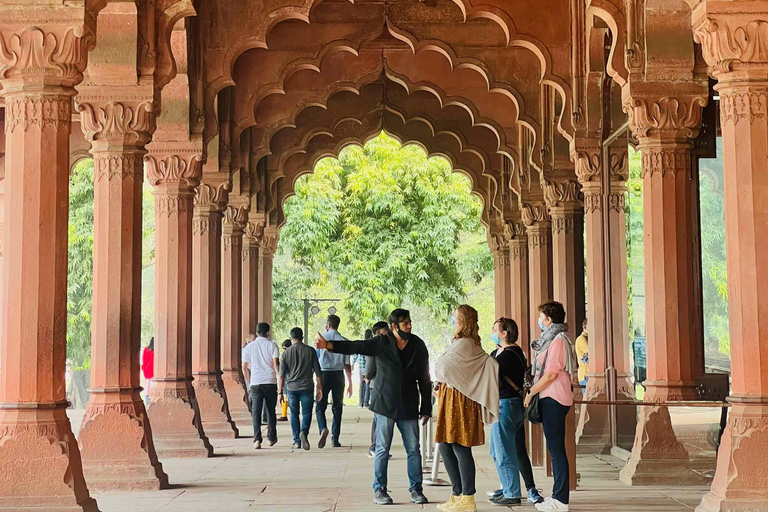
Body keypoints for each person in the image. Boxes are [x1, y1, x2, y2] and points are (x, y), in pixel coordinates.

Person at [316, 309, 431, 506]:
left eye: (410, 322)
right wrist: (329, 345)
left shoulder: (418, 345)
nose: (410, 326)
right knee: (382, 449)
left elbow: (424, 377)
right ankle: (380, 489)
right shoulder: (381, 343)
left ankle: (416, 489)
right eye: (405, 324)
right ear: (394, 327)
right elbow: (356, 346)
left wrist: (426, 407)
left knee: (413, 449)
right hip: (385, 404)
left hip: (409, 404)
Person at [434, 305, 499, 512]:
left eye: (455, 318)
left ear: (464, 322)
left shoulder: (465, 343)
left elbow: (443, 367)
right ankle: (457, 493)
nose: (453, 322)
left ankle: (468, 497)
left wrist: (441, 367)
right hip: (452, 399)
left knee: (460, 446)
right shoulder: (463, 342)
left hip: (460, 401)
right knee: (446, 445)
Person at [524, 301, 576, 512]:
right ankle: (556, 495)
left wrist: (531, 392)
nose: (540, 321)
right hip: (550, 397)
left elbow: (552, 374)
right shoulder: (551, 340)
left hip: (554, 397)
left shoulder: (558, 341)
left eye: (542, 317)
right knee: (554, 449)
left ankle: (561, 500)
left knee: (557, 450)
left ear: (549, 319)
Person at [487, 317, 544, 506]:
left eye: (495, 330)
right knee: (506, 449)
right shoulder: (505, 353)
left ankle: (511, 492)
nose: (493, 332)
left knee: (504, 450)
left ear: (504, 333)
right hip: (511, 405)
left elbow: (489, 374)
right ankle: (508, 486)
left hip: (505, 404)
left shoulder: (508, 355)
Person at [279, 327, 323, 450]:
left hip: (292, 387)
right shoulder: (310, 351)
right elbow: (318, 371)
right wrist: (320, 387)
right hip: (307, 386)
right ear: (302, 337)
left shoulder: (286, 353)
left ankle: (297, 440)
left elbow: (281, 375)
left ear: (291, 338)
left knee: (294, 413)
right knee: (307, 412)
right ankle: (304, 431)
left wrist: (280, 392)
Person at [315, 314, 353, 448]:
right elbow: (347, 365)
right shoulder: (344, 341)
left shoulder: (321, 339)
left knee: (320, 405)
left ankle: (322, 428)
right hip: (338, 375)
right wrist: (350, 383)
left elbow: (316, 360)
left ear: (328, 325)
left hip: (324, 374)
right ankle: (335, 438)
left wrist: (317, 379)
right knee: (337, 407)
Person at [242, 322, 280, 449]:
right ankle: (271, 437)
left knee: (256, 412)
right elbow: (276, 364)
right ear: (268, 332)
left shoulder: (249, 347)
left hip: (255, 382)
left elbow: (244, 367)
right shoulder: (272, 345)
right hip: (270, 381)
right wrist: (279, 379)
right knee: (270, 411)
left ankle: (257, 439)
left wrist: (249, 382)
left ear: (257, 332)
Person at [366, 321, 390, 459]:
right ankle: (375, 446)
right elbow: (369, 369)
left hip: (378, 385)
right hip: (376, 386)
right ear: (378, 333)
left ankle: (380, 446)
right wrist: (368, 376)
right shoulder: (373, 345)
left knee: (382, 418)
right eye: (385, 330)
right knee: (378, 417)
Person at [354, 328, 373, 408]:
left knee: (361, 385)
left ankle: (360, 403)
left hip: (361, 368)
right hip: (367, 368)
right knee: (367, 385)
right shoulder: (370, 345)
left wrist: (352, 364)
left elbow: (355, 356)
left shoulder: (361, 344)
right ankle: (366, 402)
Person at [278, 339, 292, 422]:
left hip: (288, 377)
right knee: (285, 396)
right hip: (288, 377)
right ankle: (284, 414)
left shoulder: (285, 356)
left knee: (286, 395)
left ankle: (284, 414)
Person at [575, 319, 589, 387]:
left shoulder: (588, 338)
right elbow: (591, 352)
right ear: (585, 327)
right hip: (585, 375)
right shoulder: (581, 339)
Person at [141, 338, 154, 403]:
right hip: (154, 377)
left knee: (147, 393)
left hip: (147, 376)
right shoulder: (155, 353)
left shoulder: (146, 351)